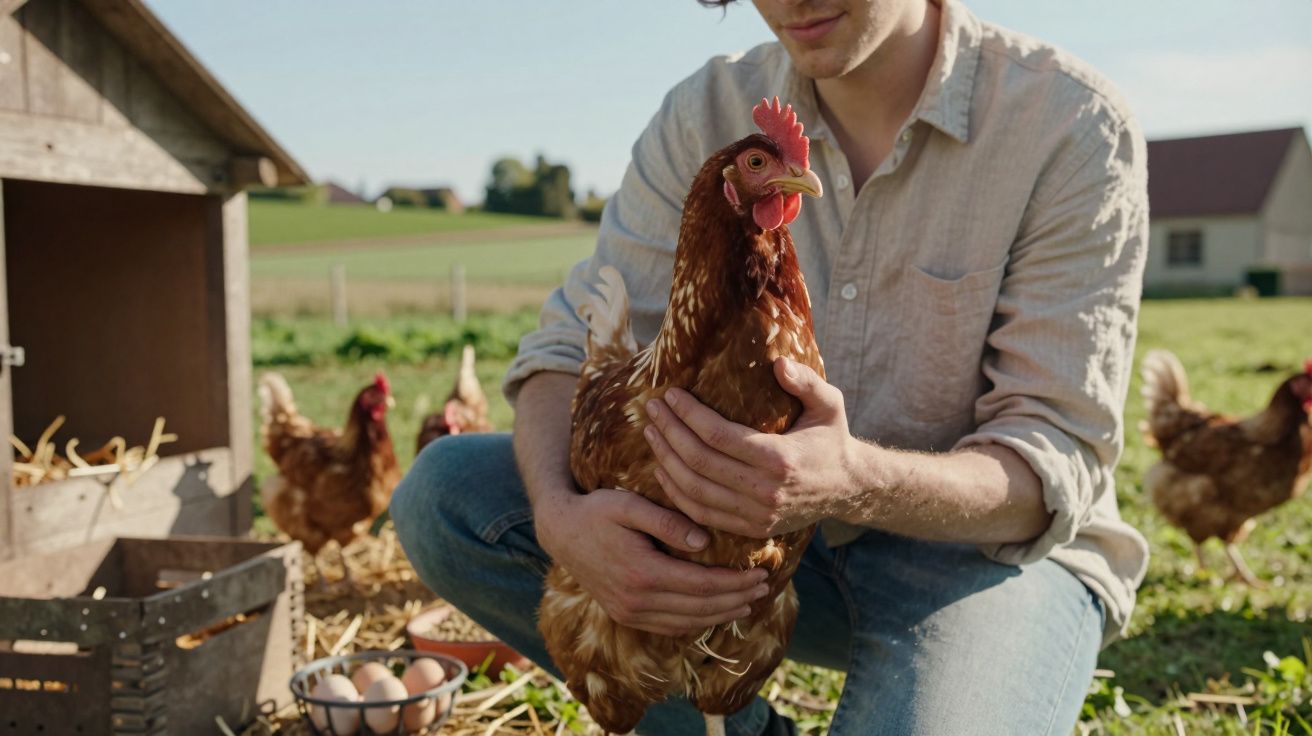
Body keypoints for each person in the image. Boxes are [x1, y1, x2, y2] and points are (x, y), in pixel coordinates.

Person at [391, 0, 1150, 733]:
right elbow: (563, 351)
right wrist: (562, 520)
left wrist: (849, 480)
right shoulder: (709, 110)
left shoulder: (1067, 124)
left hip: (983, 556)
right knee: (449, 493)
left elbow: (1052, 457)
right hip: (737, 546)